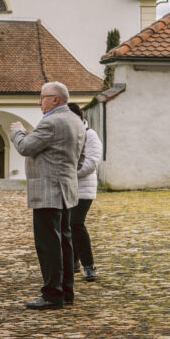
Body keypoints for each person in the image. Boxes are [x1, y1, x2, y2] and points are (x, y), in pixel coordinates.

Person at [10, 81, 85, 310]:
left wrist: (17, 131)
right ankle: (66, 291)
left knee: (48, 244)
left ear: (55, 99)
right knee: (64, 242)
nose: (39, 102)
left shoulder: (51, 122)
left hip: (48, 192)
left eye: (42, 97)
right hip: (66, 191)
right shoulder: (76, 121)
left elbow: (25, 147)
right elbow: (80, 159)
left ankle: (52, 294)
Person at [67, 102, 103, 281]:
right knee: (67, 225)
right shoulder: (66, 134)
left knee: (76, 223)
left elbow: (92, 162)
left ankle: (89, 266)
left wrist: (68, 173)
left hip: (83, 188)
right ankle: (73, 262)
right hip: (67, 188)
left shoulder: (90, 135)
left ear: (78, 117)